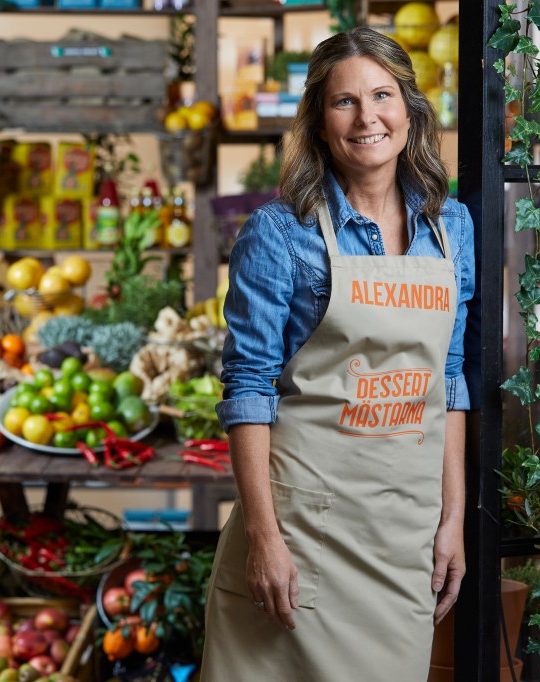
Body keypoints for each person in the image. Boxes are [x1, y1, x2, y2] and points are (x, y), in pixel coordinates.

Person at [200, 26, 476, 681]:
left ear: (409, 111)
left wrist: (453, 519)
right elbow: (247, 390)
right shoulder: (279, 234)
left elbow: (450, 381)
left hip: (399, 536)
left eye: (382, 95)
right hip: (303, 535)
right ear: (320, 124)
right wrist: (264, 542)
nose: (367, 117)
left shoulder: (452, 227)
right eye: (343, 101)